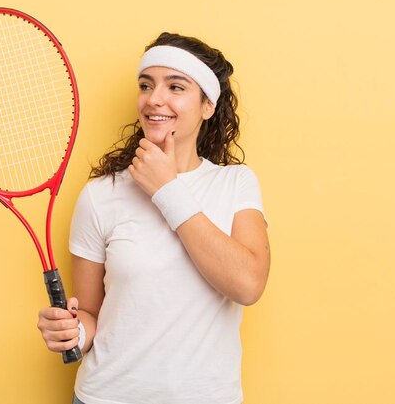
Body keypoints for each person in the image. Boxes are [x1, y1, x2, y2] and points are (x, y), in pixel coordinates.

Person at [38, 32, 270, 404]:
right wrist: (73, 334)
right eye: (146, 85)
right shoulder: (101, 195)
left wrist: (167, 191)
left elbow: (248, 284)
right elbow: (93, 315)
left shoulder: (235, 184)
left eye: (175, 86)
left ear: (207, 106)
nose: (154, 99)